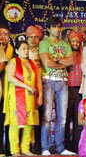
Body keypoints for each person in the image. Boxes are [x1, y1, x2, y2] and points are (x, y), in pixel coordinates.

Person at [39, 17, 75, 155]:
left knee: (63, 117)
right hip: (48, 81)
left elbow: (71, 61)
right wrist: (63, 63)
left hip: (63, 81)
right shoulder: (44, 42)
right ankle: (45, 148)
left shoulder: (65, 44)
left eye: (59, 27)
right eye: (54, 27)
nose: (58, 29)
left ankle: (60, 148)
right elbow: (47, 63)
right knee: (47, 116)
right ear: (48, 28)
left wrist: (57, 60)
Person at [3, 41, 42, 156]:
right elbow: (10, 78)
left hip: (30, 97)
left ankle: (25, 148)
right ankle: (14, 150)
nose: (26, 51)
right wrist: (27, 86)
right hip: (17, 98)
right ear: (16, 51)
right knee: (15, 123)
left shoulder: (33, 64)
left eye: (27, 49)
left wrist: (40, 95)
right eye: (23, 49)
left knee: (29, 123)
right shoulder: (13, 62)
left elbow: (38, 80)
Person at [26, 25, 44, 154]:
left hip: (42, 86)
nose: (33, 39)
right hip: (26, 89)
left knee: (40, 119)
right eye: (30, 37)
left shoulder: (43, 51)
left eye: (36, 37)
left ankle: (37, 147)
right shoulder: (23, 52)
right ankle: (25, 146)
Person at [65, 30, 83, 153]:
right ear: (69, 42)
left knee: (78, 120)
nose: (75, 43)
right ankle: (66, 146)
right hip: (66, 89)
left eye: (77, 41)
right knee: (65, 118)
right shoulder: (65, 55)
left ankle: (77, 146)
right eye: (73, 40)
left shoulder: (83, 54)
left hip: (80, 90)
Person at [0, 23, 14, 156]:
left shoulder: (14, 51)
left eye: (5, 34)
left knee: (9, 122)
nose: (2, 36)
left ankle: (10, 149)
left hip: (9, 91)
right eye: (0, 33)